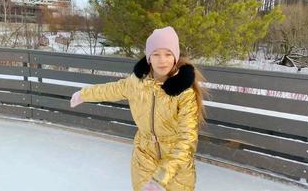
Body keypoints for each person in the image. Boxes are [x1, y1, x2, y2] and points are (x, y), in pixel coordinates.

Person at [70, 26, 207, 191]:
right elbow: (113, 89)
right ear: (149, 57)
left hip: (176, 164)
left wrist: (161, 177)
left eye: (168, 54)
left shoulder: (184, 93)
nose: (162, 60)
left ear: (175, 56)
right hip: (143, 157)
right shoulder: (137, 83)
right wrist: (84, 94)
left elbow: (187, 140)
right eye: (156, 54)